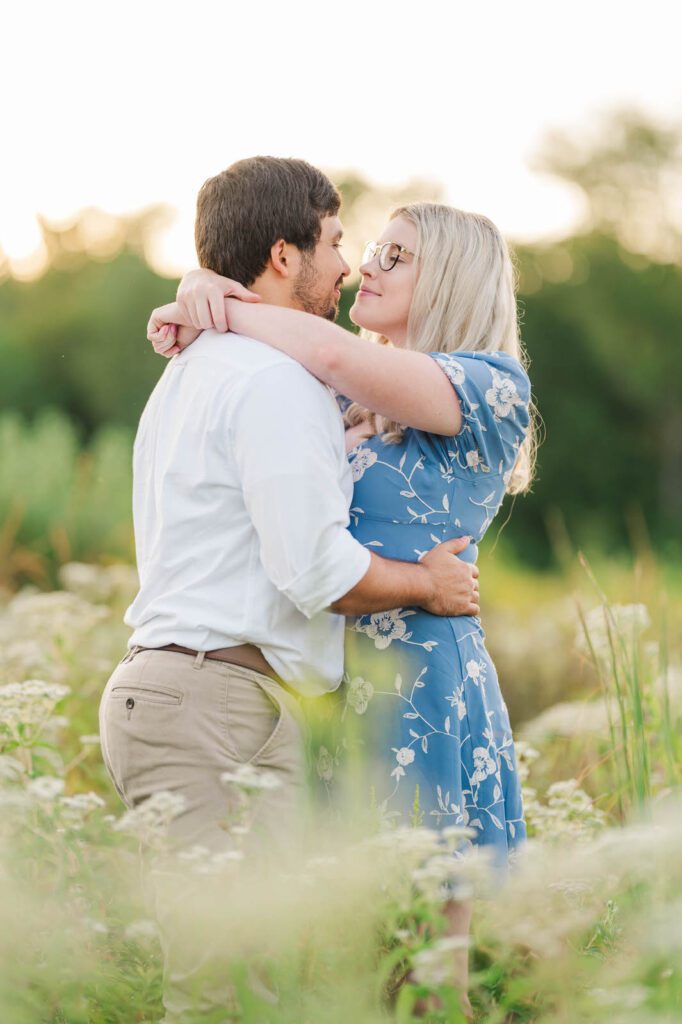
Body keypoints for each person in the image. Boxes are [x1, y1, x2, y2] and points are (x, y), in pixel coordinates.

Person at [98, 157, 479, 1024]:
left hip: (193, 695)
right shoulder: (272, 382)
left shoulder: (200, 367)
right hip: (213, 706)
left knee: (239, 984)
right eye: (337, 243)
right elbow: (316, 570)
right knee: (227, 993)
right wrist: (427, 583)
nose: (347, 267)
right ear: (282, 254)